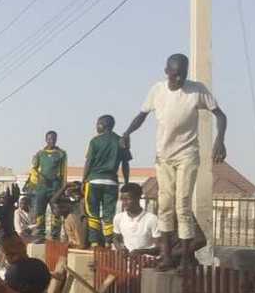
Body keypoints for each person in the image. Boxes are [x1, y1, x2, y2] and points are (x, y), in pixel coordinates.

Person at [122, 53, 228, 270]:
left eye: (183, 74)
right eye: (175, 75)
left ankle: (187, 258)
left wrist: (220, 140)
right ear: (167, 72)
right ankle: (167, 256)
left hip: (187, 154)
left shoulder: (197, 90)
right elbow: (142, 115)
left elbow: (220, 115)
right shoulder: (157, 90)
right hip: (164, 157)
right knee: (165, 204)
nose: (179, 79)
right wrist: (127, 132)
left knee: (183, 203)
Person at [82, 114, 131, 247]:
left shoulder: (95, 141)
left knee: (93, 212)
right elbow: (125, 164)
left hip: (94, 181)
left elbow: (88, 162)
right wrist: (126, 182)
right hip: (112, 182)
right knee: (109, 213)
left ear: (103, 125)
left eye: (98, 124)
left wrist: (83, 180)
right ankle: (109, 242)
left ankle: (94, 243)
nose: (96, 126)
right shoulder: (121, 141)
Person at [29, 131, 68, 240]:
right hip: (41, 187)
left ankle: (55, 236)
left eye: (54, 139)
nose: (52, 141)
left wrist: (63, 188)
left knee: (56, 212)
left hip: (55, 187)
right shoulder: (40, 154)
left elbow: (64, 172)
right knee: (39, 211)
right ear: (46, 139)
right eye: (50, 139)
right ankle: (40, 234)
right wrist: (37, 177)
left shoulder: (61, 153)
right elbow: (33, 169)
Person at [113, 183, 161, 255]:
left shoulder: (152, 219)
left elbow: (159, 248)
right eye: (122, 199)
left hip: (147, 261)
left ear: (138, 198)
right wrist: (120, 248)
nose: (124, 203)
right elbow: (116, 239)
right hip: (126, 261)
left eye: (127, 199)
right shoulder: (118, 218)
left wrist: (142, 252)